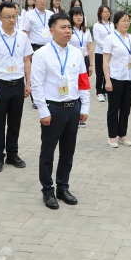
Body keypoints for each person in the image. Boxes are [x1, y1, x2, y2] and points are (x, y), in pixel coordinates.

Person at [30, 12, 90, 209]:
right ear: (51, 30)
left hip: (73, 107)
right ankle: (47, 190)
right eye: (63, 27)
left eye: (69, 27)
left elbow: (83, 81)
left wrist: (85, 106)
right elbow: (36, 85)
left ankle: (63, 187)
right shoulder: (41, 54)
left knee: (68, 151)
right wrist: (43, 111)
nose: (67, 31)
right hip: (53, 108)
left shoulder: (76, 53)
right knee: (48, 152)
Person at [0, 1, 33, 172]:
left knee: (15, 122)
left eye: (14, 16)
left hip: (18, 84)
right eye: (8, 17)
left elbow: (27, 60)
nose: (12, 20)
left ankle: (12, 154)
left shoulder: (22, 37)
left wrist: (28, 83)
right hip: (0, 85)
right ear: (0, 17)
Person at [102, 10, 131, 148]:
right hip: (115, 77)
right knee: (114, 107)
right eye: (123, 21)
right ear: (116, 23)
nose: (126, 23)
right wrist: (107, 80)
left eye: (128, 20)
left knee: (126, 107)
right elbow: (105, 60)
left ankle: (122, 134)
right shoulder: (110, 39)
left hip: (129, 77)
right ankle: (112, 136)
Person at [22, 0, 54, 109]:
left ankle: (48, 96)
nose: (42, 1)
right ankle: (35, 99)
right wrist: (28, 50)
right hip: (35, 47)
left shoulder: (50, 14)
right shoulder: (29, 15)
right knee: (36, 74)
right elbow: (25, 32)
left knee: (49, 72)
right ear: (34, 1)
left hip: (49, 47)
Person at [68, 6, 93, 127]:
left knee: (82, 88)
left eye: (81, 15)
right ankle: (74, 115)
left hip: (84, 61)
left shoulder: (86, 30)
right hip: (72, 62)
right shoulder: (69, 30)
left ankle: (81, 114)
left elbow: (89, 48)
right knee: (73, 86)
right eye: (76, 15)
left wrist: (91, 64)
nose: (79, 17)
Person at [92, 5, 113, 103]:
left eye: (108, 12)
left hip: (110, 53)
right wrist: (106, 46)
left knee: (107, 72)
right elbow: (96, 39)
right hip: (100, 52)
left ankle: (106, 91)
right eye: (105, 12)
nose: (107, 13)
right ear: (100, 14)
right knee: (100, 73)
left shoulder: (112, 25)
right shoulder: (97, 25)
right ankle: (99, 92)